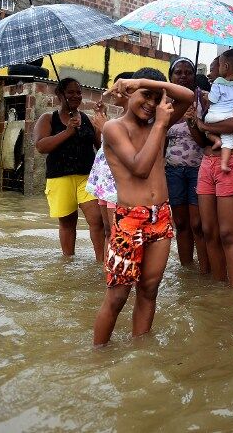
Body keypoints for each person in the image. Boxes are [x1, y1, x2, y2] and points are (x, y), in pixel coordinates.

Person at [92, 68, 194, 346]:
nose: (150, 103)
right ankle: (98, 356)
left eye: (157, 97)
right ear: (128, 94)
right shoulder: (115, 128)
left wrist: (144, 83)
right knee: (117, 296)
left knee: (149, 290)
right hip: (129, 221)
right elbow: (139, 167)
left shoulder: (156, 123)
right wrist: (161, 125)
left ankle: (140, 352)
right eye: (144, 96)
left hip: (160, 217)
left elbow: (188, 95)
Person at [34, 77, 105, 262]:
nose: (76, 96)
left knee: (97, 220)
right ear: (59, 94)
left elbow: (100, 147)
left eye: (79, 92)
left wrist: (101, 124)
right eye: (70, 92)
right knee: (67, 222)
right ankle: (68, 262)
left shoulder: (87, 119)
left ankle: (102, 263)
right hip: (59, 178)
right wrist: (67, 132)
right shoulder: (48, 118)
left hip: (87, 178)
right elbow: (41, 146)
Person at [195, 87, 233, 289]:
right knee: (208, 230)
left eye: (217, 67)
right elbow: (200, 138)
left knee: (228, 232)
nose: (214, 74)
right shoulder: (210, 98)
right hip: (207, 161)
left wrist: (205, 124)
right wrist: (193, 121)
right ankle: (219, 289)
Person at [165, 58, 210, 273]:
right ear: (170, 77)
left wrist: (193, 122)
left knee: (197, 224)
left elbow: (203, 142)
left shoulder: (204, 100)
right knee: (181, 224)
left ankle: (204, 271)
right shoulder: (163, 104)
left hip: (198, 169)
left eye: (188, 72)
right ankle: (186, 270)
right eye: (178, 73)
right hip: (172, 170)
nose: (183, 76)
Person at [86, 72, 134, 254]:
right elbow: (104, 145)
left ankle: (118, 274)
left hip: (117, 184)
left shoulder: (136, 120)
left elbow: (127, 150)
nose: (112, 92)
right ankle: (107, 274)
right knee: (109, 231)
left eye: (116, 88)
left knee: (118, 233)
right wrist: (102, 120)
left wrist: (105, 126)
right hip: (105, 183)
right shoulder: (119, 118)